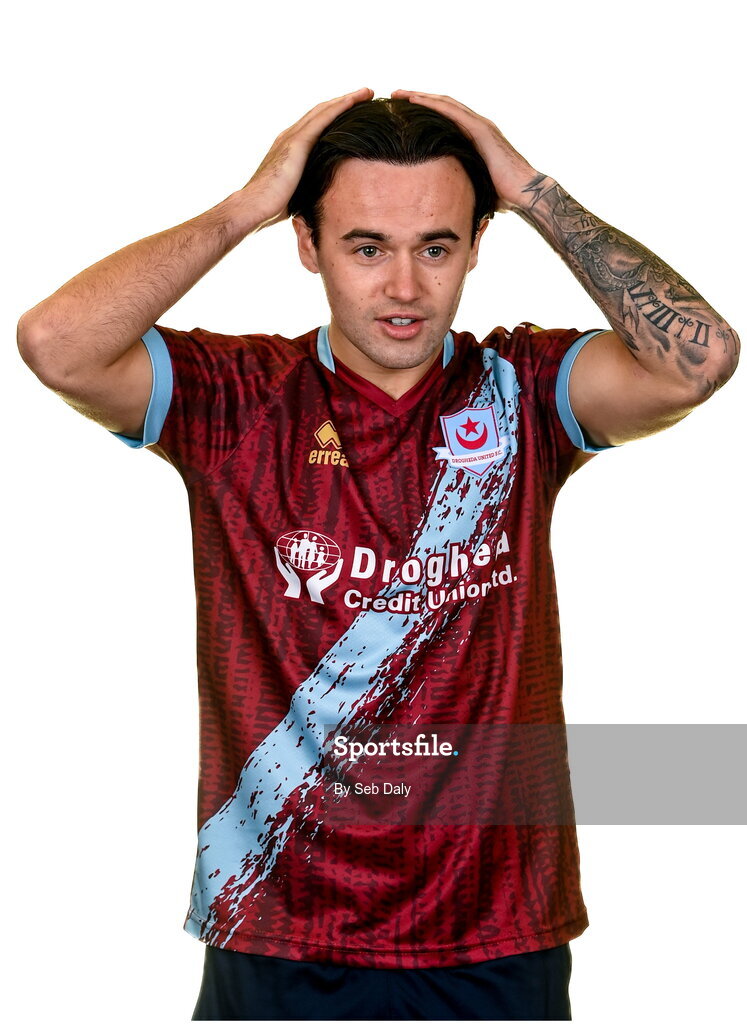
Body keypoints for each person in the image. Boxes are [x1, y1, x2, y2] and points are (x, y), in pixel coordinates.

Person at [16, 87, 739, 1021]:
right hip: (277, 919)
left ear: (475, 247)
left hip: (496, 930)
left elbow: (702, 358)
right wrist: (245, 205)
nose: (403, 287)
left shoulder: (522, 389)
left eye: (435, 246)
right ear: (308, 245)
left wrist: (530, 191)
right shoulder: (236, 398)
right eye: (366, 246)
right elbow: (56, 344)